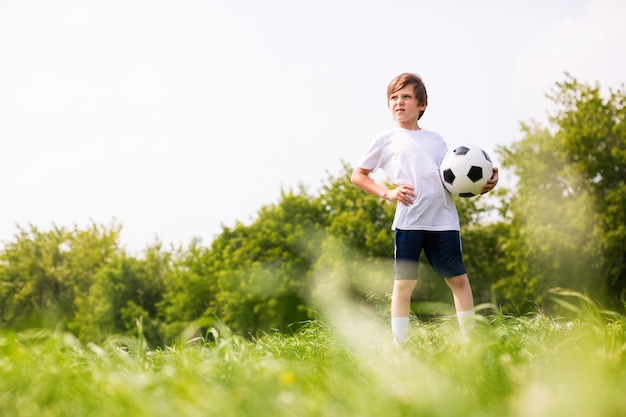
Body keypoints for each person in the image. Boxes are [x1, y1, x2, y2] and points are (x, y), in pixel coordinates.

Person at [351, 73, 498, 344]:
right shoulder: (385, 139)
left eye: (406, 96)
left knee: (458, 280)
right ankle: (400, 347)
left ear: (422, 105)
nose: (399, 102)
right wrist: (388, 193)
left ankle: (471, 343)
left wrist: (486, 180)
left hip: (442, 220)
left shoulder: (436, 140)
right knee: (404, 285)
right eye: (394, 97)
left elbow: (453, 177)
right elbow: (358, 176)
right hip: (409, 220)